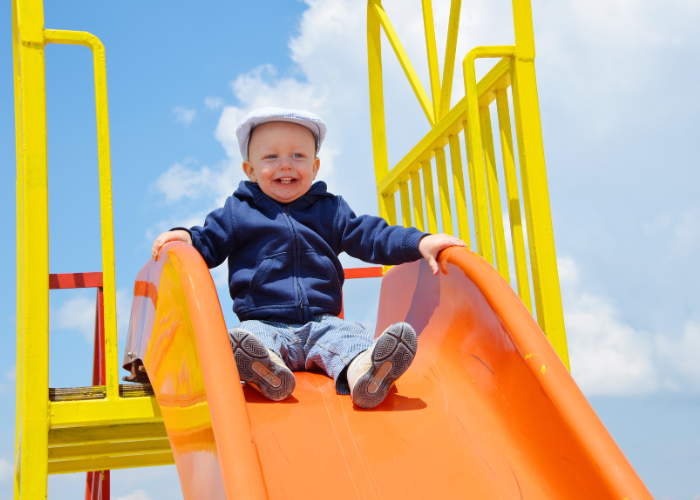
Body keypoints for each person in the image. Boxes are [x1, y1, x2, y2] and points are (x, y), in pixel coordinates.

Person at [151, 108, 465, 409]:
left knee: (350, 339)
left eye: (297, 156)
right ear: (250, 169)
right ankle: (263, 368)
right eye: (271, 157)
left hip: (323, 322)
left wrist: (419, 241)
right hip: (263, 321)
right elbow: (208, 242)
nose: (285, 165)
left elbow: (372, 236)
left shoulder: (330, 211)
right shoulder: (238, 213)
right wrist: (187, 237)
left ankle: (367, 373)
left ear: (314, 167)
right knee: (247, 338)